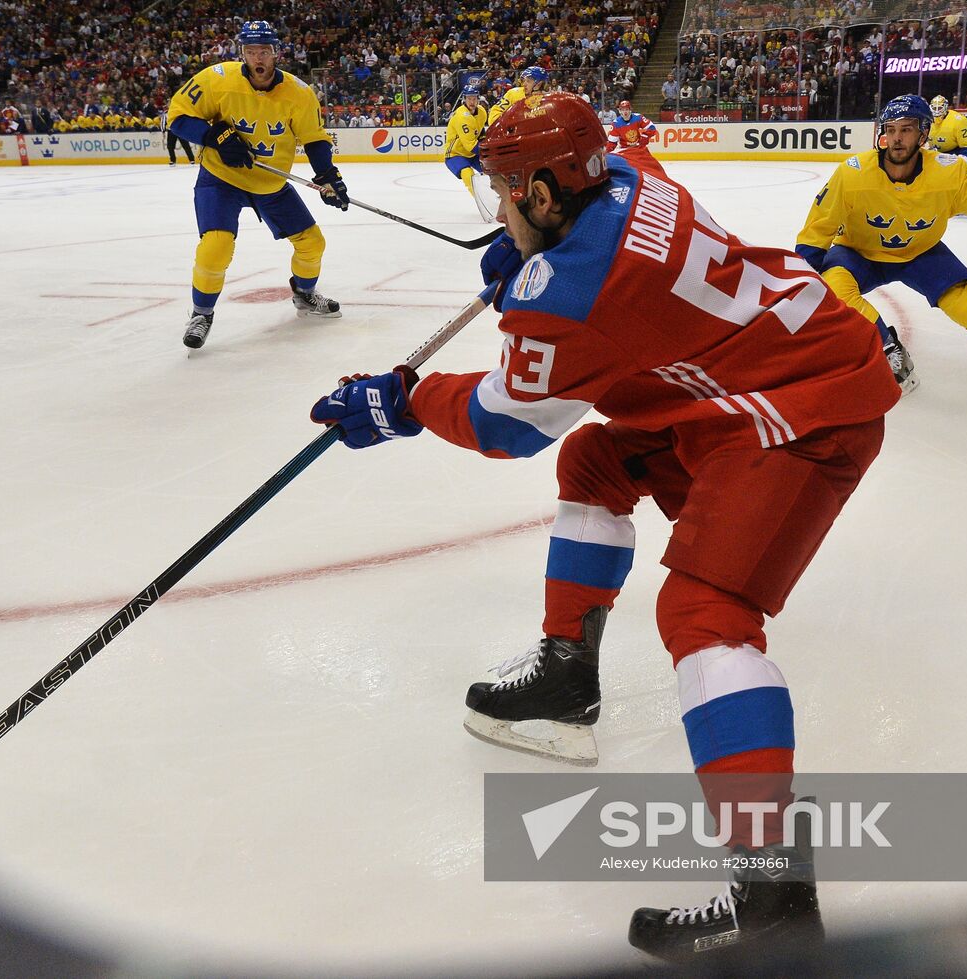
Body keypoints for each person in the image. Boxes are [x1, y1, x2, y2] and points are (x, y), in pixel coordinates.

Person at [310, 92, 900, 960]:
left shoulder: (578, 289)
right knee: (595, 462)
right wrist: (532, 265)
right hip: (754, 375)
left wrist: (398, 401)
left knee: (704, 616)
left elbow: (507, 421)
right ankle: (564, 675)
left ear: (546, 195)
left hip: (803, 408)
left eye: (504, 195)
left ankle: (771, 886)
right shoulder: (623, 169)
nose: (499, 211)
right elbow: (618, 198)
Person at [796, 94, 967, 393]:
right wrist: (802, 272)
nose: (897, 138)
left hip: (920, 252)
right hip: (857, 252)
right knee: (834, 290)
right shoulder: (852, 173)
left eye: (906, 129)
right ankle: (888, 349)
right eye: (891, 129)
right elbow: (819, 224)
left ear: (924, 133)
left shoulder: (947, 171)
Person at [164, 20, 348, 352]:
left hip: (271, 182)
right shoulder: (216, 79)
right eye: (251, 51)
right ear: (242, 54)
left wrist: (328, 177)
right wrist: (213, 136)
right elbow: (178, 117)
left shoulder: (299, 92)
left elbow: (314, 140)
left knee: (312, 243)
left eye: (264, 51)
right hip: (221, 179)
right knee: (215, 246)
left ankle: (304, 294)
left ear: (276, 52)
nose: (258, 58)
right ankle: (201, 313)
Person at [444, 84, 488, 198]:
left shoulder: (482, 112)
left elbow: (480, 131)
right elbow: (471, 146)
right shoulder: (462, 116)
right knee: (468, 175)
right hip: (455, 154)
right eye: (469, 98)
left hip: (472, 154)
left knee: (492, 171)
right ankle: (481, 200)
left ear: (478, 99)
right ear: (464, 99)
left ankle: (501, 196)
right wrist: (491, 151)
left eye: (474, 98)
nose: (471, 102)